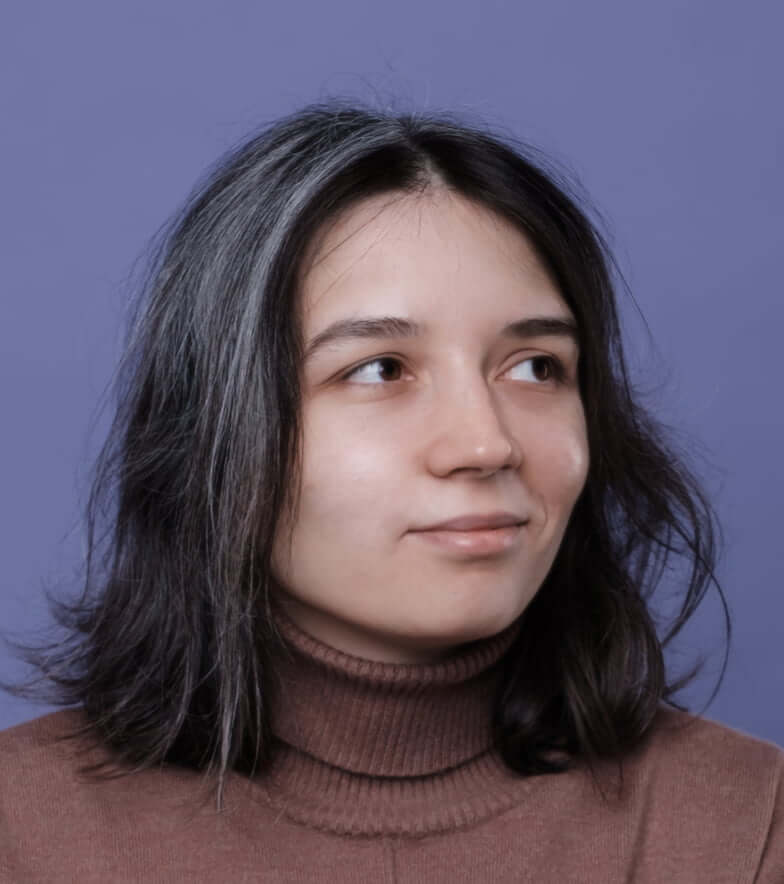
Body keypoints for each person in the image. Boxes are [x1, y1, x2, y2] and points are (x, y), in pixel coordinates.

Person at [0, 98, 781, 882]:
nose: (486, 444)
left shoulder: (747, 827)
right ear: (212, 432)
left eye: (536, 367)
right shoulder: (21, 832)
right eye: (380, 370)